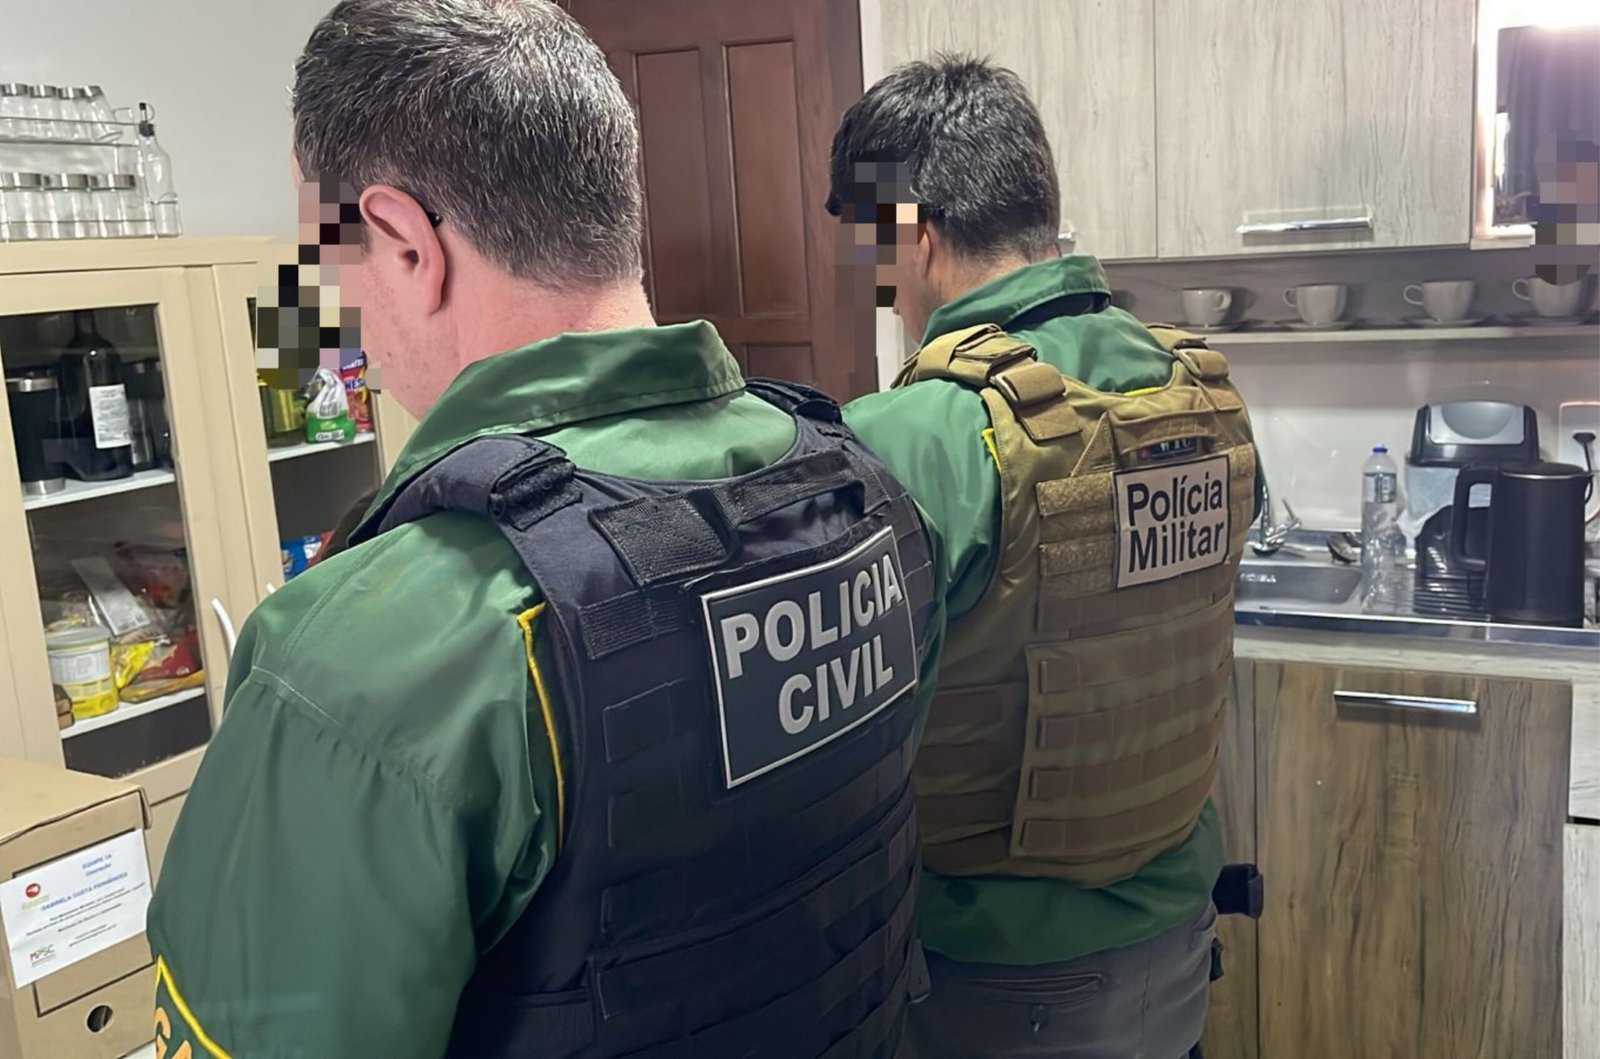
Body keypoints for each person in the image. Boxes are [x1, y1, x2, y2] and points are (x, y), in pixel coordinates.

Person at [146, 3, 945, 1055]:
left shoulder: (365, 659)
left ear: (404, 242)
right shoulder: (865, 495)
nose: (333, 303)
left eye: (328, 256)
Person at [831, 56, 1263, 1058]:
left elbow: (842, 755)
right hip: (1175, 951)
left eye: (874, 256)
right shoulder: (1200, 396)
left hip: (991, 982)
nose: (882, 293)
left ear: (911, 234)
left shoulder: (910, 437)